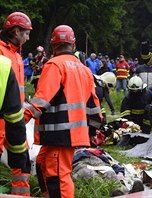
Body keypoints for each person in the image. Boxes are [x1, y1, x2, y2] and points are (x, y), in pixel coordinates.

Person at [23, 25, 103, 198]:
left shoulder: (54, 65)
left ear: (53, 45)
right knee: (42, 162)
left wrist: (20, 119)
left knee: (58, 176)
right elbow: (94, 107)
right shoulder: (84, 69)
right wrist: (91, 131)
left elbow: (41, 100)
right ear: (73, 46)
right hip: (67, 134)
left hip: (59, 133)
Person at [0, 11, 32, 196]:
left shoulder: (17, 55)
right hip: (3, 119)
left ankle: (21, 195)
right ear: (16, 31)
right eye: (26, 33)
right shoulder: (2, 52)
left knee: (22, 163)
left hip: (15, 119)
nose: (27, 38)